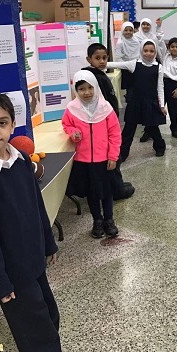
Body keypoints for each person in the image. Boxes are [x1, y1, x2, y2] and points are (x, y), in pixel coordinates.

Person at [0, 92, 97, 352]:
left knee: (48, 312)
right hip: (11, 269)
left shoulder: (19, 160)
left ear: (12, 124)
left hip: (32, 257)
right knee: (31, 321)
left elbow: (36, 205)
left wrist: (48, 242)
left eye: (2, 123)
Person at [61, 71, 122, 238]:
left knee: (107, 191)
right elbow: (66, 125)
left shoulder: (105, 108)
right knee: (92, 192)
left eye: (90, 88)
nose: (86, 92)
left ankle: (109, 219)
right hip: (84, 160)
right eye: (81, 89)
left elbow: (115, 134)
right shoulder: (72, 109)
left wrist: (113, 156)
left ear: (95, 87)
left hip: (105, 160)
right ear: (76, 90)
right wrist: (73, 132)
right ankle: (97, 220)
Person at [78, 42, 135, 200]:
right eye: (97, 58)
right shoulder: (92, 78)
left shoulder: (99, 74)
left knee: (113, 157)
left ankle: (116, 184)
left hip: (109, 122)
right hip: (103, 125)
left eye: (104, 58)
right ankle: (117, 190)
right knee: (113, 158)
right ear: (89, 59)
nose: (102, 61)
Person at [106, 40, 167, 160]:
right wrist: (102, 64)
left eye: (151, 51)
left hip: (150, 102)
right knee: (129, 129)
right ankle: (122, 153)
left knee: (152, 127)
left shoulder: (158, 67)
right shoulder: (134, 64)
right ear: (141, 50)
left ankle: (160, 147)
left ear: (155, 52)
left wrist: (161, 105)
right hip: (135, 103)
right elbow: (117, 64)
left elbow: (160, 87)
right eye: (145, 50)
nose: (148, 53)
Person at [114, 22, 141, 105]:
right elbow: (118, 58)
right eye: (126, 30)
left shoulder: (136, 41)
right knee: (130, 90)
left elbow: (140, 54)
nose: (128, 32)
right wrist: (128, 65)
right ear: (122, 31)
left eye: (130, 30)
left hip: (137, 66)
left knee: (138, 89)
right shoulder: (120, 43)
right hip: (126, 68)